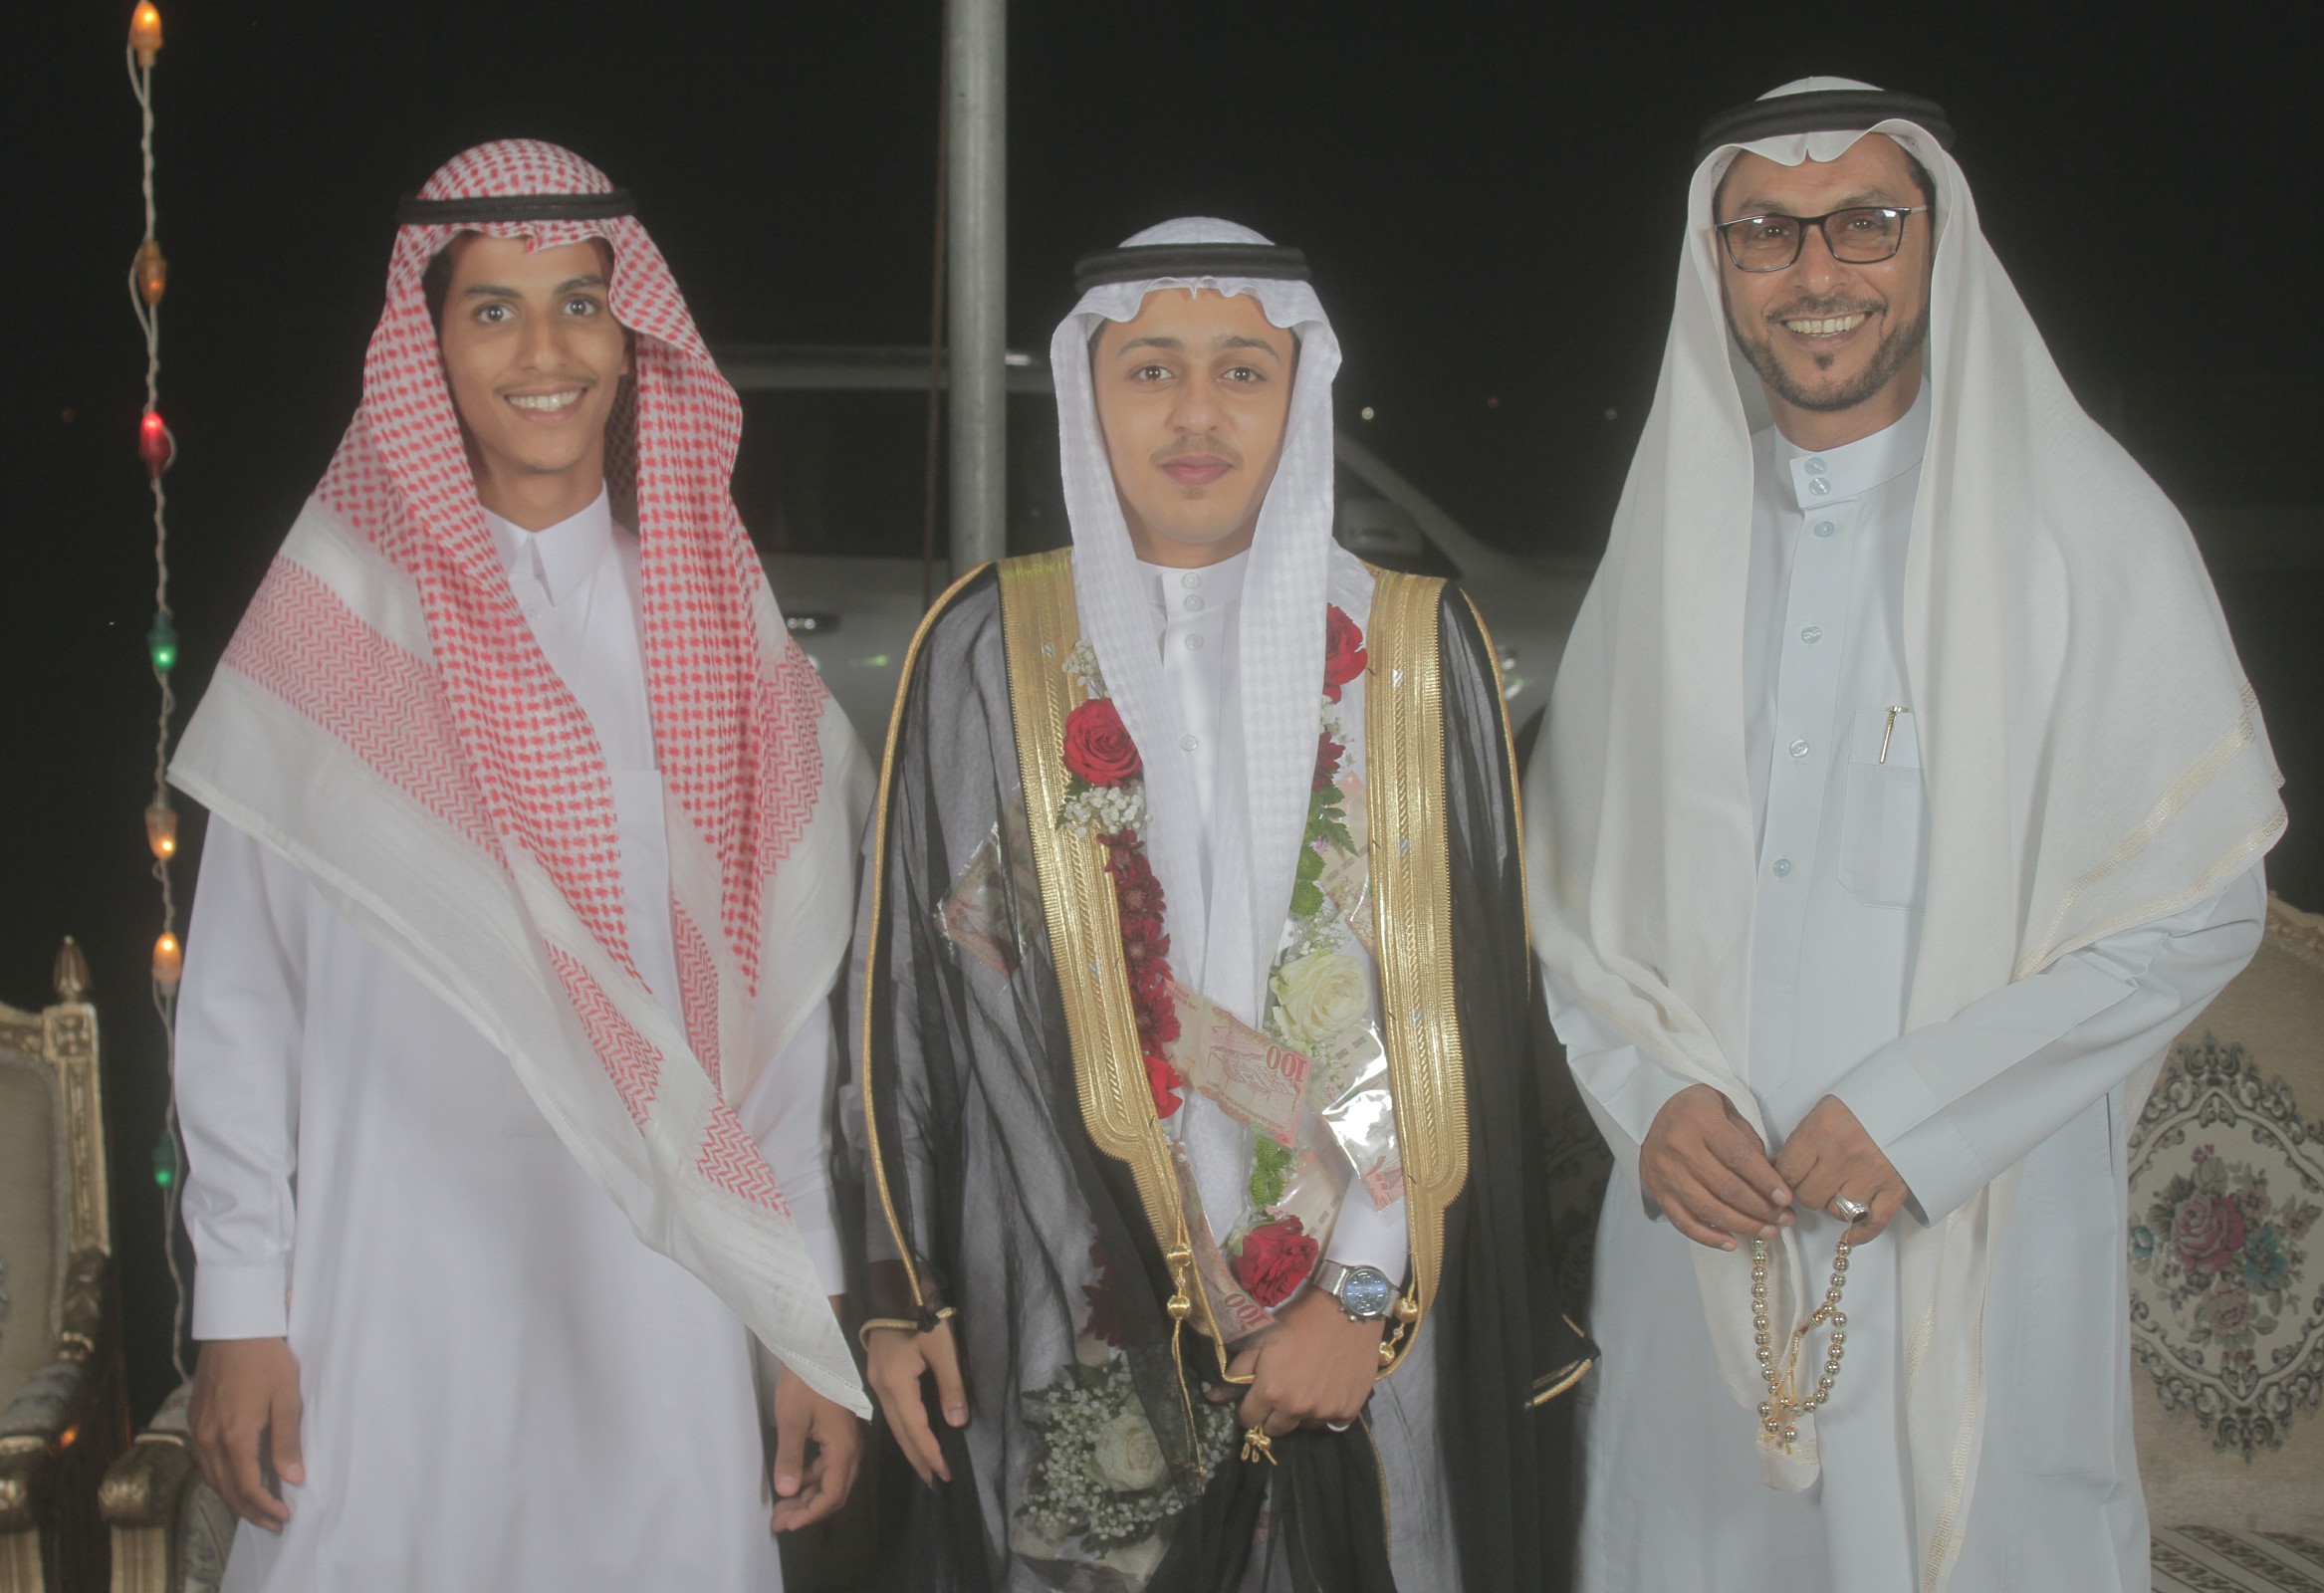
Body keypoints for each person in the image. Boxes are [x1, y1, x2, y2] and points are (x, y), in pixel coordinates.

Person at [1524, 80, 2286, 1593]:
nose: (1817, 272)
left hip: (1971, 1234)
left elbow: (2199, 904)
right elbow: (1569, 910)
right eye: (1768, 232)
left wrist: (1920, 1115)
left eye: (1865, 223)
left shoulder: (2082, 533)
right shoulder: (1669, 544)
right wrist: (1648, 1099)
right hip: (1701, 1245)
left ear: (1939, 240)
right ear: (1719, 264)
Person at [168, 140, 872, 1591]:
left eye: (580, 304)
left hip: (659, 1298)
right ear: (426, 344)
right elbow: (241, 1000)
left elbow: (780, 1028)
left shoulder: (718, 638)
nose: (544, 352)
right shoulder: (333, 622)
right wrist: (239, 1303)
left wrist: (805, 1312)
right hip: (388, 1280)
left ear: (633, 338)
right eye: (492, 309)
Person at [852, 218, 1587, 1591]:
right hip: (1075, 1298)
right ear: (1088, 392)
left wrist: (1356, 1299)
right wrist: (902, 1293)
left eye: (1243, 370)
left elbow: (1455, 1019)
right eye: (1152, 371)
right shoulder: (989, 651)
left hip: (1363, 1329)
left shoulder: (1413, 651)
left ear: (1300, 390)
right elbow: (912, 1009)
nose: (1198, 414)